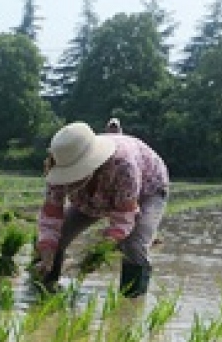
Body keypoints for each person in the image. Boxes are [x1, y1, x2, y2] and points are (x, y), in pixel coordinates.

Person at [31, 121, 169, 298]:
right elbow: (51, 216)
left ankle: (131, 302)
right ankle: (45, 289)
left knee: (134, 245)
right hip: (92, 198)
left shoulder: (123, 165)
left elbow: (124, 217)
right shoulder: (59, 167)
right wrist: (46, 249)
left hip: (148, 189)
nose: (71, 180)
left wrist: (104, 245)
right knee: (58, 239)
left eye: (76, 174)